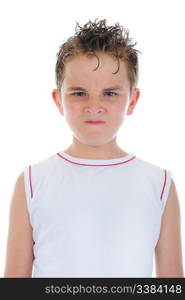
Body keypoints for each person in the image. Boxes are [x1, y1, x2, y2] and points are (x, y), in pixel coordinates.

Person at [4, 18, 184, 278]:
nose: (94, 106)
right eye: (79, 93)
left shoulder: (159, 183)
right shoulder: (32, 181)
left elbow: (171, 284)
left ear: (132, 101)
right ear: (59, 100)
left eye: (110, 93)